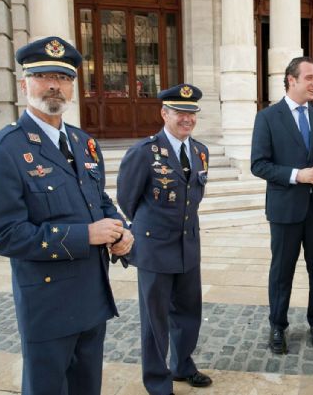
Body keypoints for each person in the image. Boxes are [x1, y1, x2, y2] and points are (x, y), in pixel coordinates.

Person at [0, 36, 133, 395]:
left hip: (92, 297)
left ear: (72, 86)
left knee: (86, 388)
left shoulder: (84, 143)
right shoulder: (5, 149)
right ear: (24, 84)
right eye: (43, 75)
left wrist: (122, 230)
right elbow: (5, 235)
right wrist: (86, 235)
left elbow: (100, 201)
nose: (53, 85)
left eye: (63, 78)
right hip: (47, 305)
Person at [117, 84, 212, 395]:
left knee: (188, 313)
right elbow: (127, 200)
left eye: (192, 113)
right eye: (180, 112)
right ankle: (158, 381)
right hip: (154, 249)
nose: (187, 119)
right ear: (164, 113)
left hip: (188, 247)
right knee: (155, 320)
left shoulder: (200, 151)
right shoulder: (144, 152)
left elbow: (194, 196)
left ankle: (183, 365)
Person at [251, 57, 313, 354]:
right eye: (310, 78)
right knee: (282, 272)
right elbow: (259, 164)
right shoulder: (267, 117)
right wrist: (296, 175)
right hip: (285, 210)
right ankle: (278, 326)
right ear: (291, 80)